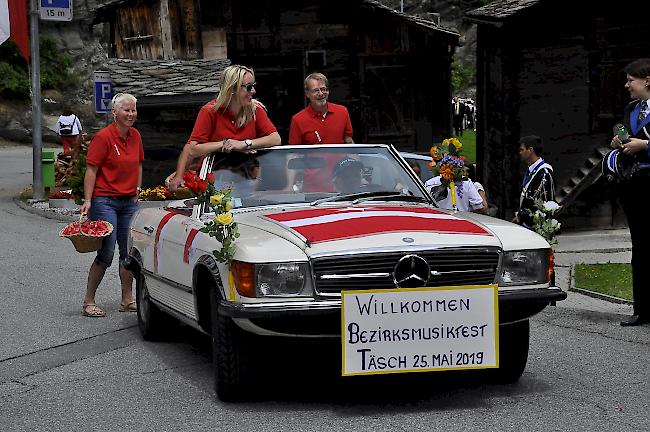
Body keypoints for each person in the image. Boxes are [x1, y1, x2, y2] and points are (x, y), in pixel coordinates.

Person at [79, 93, 143, 318]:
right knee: (106, 252)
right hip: (104, 200)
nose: (131, 114)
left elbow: (139, 164)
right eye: (126, 110)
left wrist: (138, 188)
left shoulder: (135, 136)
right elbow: (91, 170)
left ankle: (127, 300)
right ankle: (89, 301)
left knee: (128, 253)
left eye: (133, 110)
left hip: (128, 202)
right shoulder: (103, 137)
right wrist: (88, 201)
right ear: (114, 113)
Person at [167, 65, 281, 191]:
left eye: (254, 85)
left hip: (246, 178)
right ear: (232, 89)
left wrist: (244, 144)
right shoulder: (209, 111)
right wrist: (225, 144)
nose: (253, 91)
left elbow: (275, 139)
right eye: (249, 87)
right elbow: (192, 149)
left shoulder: (255, 109)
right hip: (214, 179)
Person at [609, 58, 650, 326]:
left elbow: (641, 143)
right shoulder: (631, 108)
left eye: (630, 80)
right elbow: (621, 131)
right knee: (640, 248)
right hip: (634, 186)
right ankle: (642, 309)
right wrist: (618, 141)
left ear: (646, 80)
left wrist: (645, 145)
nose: (627, 85)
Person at [289, 72, 354, 192]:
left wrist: (358, 173)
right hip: (314, 184)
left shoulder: (342, 112)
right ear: (307, 94)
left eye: (324, 89)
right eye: (316, 90)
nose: (321, 94)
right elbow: (295, 154)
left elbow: (349, 142)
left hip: (343, 181)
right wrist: (290, 187)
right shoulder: (298, 119)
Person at [513, 135, 555, 229]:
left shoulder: (544, 173)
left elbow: (547, 204)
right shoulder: (530, 171)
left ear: (530, 150)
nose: (520, 153)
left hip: (536, 227)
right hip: (526, 223)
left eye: (522, 150)